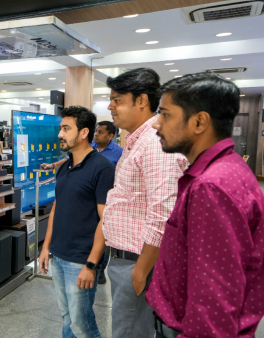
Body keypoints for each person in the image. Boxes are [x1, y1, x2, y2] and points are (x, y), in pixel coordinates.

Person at [147, 73, 264, 337]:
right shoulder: (227, 170)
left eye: (165, 114)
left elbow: (214, 299)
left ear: (199, 121)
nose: (156, 124)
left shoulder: (211, 187)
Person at [101, 68, 188, 338]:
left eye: (117, 100)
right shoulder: (136, 141)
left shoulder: (155, 144)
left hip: (139, 263)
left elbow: (165, 214)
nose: (110, 106)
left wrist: (140, 271)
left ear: (141, 101)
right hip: (128, 262)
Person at [38, 106, 115, 338]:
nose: (60, 134)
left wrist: (91, 265)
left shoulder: (102, 168)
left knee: (82, 324)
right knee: (66, 318)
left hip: (80, 260)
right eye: (61, 128)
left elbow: (106, 220)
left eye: (66, 128)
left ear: (83, 133)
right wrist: (45, 247)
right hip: (59, 256)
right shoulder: (66, 166)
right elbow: (57, 208)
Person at [91, 121, 123, 285]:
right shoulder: (90, 148)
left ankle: (100, 268)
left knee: (103, 234)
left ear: (111, 136)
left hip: (107, 200)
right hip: (89, 198)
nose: (96, 134)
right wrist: (53, 165)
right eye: (96, 131)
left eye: (101, 132)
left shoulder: (119, 153)